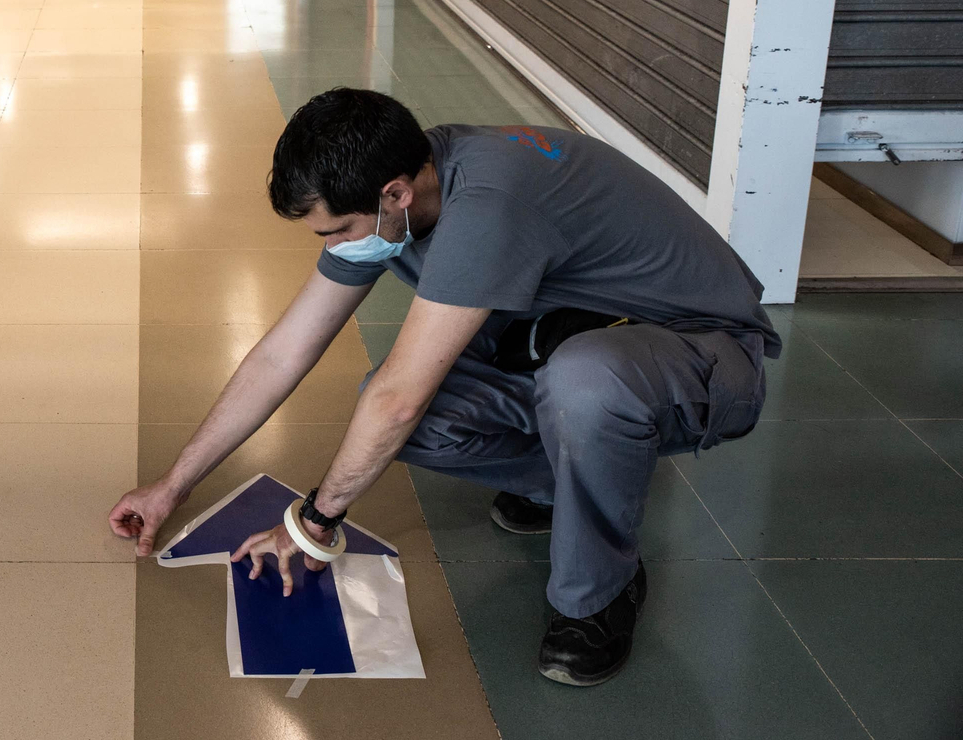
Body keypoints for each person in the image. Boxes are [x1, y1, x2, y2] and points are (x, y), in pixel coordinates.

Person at [109, 88, 777, 686]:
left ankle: (600, 594)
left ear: (396, 194)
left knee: (573, 385)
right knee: (414, 419)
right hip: (576, 334)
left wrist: (314, 524)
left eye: (338, 231)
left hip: (703, 353)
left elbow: (400, 397)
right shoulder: (405, 186)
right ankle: (568, 484)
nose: (334, 247)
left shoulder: (486, 205)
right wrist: (175, 484)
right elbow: (283, 354)